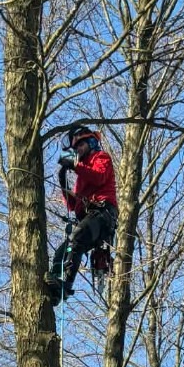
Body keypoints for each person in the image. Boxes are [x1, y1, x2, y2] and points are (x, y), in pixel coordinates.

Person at [45, 124, 118, 302]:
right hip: (88, 219)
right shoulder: (81, 175)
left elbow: (99, 176)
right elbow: (73, 205)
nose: (78, 149)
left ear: (91, 142)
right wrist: (63, 182)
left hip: (102, 214)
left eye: (81, 145)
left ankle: (65, 284)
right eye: (76, 147)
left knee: (76, 238)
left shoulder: (101, 158)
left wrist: (76, 166)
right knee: (63, 250)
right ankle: (55, 287)